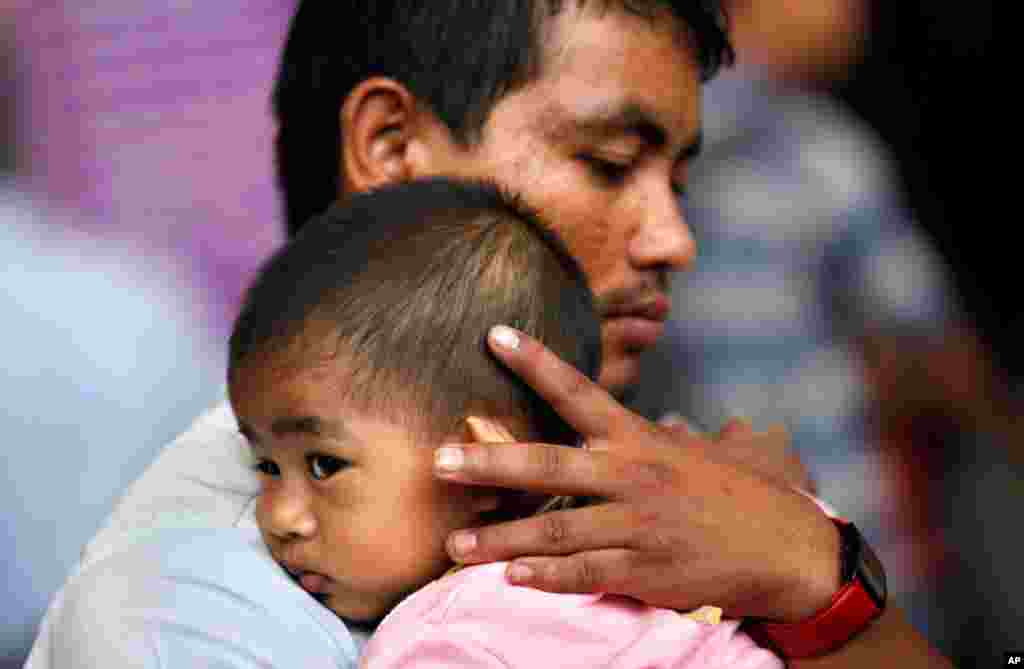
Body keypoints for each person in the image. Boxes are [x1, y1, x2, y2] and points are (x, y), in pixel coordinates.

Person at [27, 1, 952, 667]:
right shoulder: (202, 614)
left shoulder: (681, 504)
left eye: (678, 179)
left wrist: (810, 574)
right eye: (610, 163)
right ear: (393, 150)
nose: (673, 237)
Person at [228, 177, 779, 667]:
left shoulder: (447, 642)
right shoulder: (696, 551)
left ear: (484, 467)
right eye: (267, 466)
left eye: (324, 465)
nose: (277, 516)